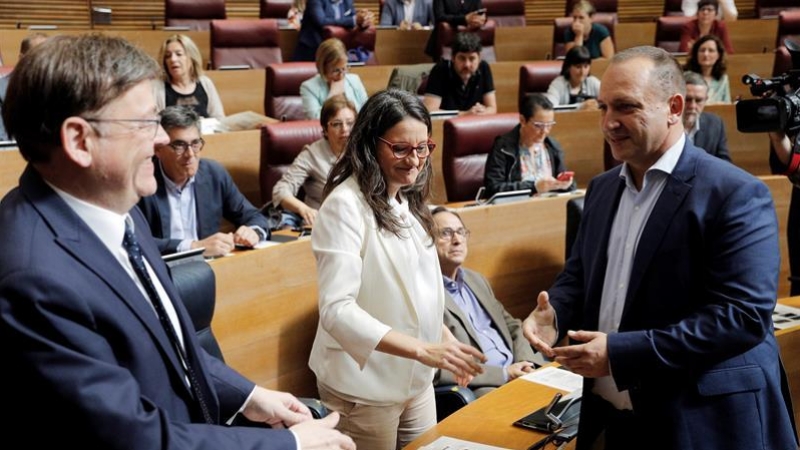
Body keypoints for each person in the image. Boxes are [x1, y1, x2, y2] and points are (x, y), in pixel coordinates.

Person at [0, 33, 354, 450]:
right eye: (145, 123)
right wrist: (290, 445)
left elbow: (171, 348)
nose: (162, 139)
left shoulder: (118, 206)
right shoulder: (33, 278)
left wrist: (250, 396)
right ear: (80, 141)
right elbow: (134, 438)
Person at [521, 45, 798, 450]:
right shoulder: (600, 190)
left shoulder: (734, 192)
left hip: (702, 424)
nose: (609, 123)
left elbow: (741, 318)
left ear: (673, 106)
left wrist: (620, 353)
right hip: (615, 422)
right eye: (603, 109)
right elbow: (580, 274)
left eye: (626, 107)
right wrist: (556, 310)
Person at [309, 89, 486, 450]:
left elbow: (418, 293)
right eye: (401, 148)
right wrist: (422, 350)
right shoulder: (343, 206)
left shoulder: (406, 198)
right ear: (370, 144)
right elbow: (337, 311)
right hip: (364, 386)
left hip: (415, 381)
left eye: (423, 148)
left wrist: (447, 344)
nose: (415, 160)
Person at [432, 206, 542, 396]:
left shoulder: (477, 280)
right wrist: (504, 374)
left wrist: (526, 364)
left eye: (460, 232)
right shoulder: (426, 295)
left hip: (519, 371)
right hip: (487, 385)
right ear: (427, 241)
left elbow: (513, 326)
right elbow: (438, 367)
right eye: (446, 233)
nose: (457, 240)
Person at [137, 106, 270, 257]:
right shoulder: (141, 182)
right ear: (158, 149)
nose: (190, 154)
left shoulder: (213, 174)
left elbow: (254, 216)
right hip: (163, 269)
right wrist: (194, 246)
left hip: (209, 267)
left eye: (195, 144)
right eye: (179, 145)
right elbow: (134, 240)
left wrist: (254, 231)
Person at [273, 95, 355, 228]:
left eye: (350, 123)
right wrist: (303, 209)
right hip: (324, 224)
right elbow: (281, 190)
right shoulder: (312, 155)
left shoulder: (364, 151)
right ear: (325, 129)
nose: (345, 129)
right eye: (337, 124)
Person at [484, 93, 574, 197]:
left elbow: (567, 184)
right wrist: (534, 187)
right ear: (522, 120)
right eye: (538, 126)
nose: (544, 131)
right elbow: (493, 188)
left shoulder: (552, 146)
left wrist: (566, 184)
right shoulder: (503, 147)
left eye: (549, 125)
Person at [423, 32, 497, 115]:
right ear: (453, 58)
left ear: (479, 58)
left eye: (472, 59)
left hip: (475, 124)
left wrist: (481, 112)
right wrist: (465, 114)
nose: (467, 64)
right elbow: (431, 112)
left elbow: (492, 108)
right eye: (462, 58)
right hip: (445, 125)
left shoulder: (484, 67)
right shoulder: (440, 69)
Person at [157, 34, 225, 120]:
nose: (173, 59)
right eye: (168, 56)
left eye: (179, 54)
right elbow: (155, 126)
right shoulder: (157, 88)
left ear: (192, 58)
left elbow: (219, 119)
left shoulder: (205, 83)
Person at [300, 38, 369, 119]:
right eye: (336, 70)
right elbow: (315, 120)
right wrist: (332, 96)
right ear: (323, 69)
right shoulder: (309, 88)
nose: (341, 75)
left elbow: (367, 112)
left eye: (344, 68)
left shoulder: (354, 80)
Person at [0, 32, 48, 141]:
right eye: (38, 56)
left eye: (50, 57)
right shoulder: (1, 91)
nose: (46, 63)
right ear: (22, 58)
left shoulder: (56, 89)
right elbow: (2, 141)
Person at [293, 0, 374, 62]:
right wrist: (352, 20)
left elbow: (353, 21)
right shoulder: (316, 1)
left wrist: (363, 21)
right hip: (313, 51)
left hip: (339, 51)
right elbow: (321, 21)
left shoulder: (347, 1)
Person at [683, 71, 730, 161]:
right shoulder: (664, 125)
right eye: (688, 99)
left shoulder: (716, 124)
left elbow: (725, 163)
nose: (693, 106)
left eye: (698, 100)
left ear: (706, 100)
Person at [545, 45, 601, 109]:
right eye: (578, 67)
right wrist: (580, 107)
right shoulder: (558, 84)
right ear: (568, 67)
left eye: (586, 67)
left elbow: (607, 100)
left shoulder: (593, 82)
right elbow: (550, 109)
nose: (582, 72)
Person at [683, 34, 730, 104]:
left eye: (711, 50)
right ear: (696, 54)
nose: (706, 54)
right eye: (702, 50)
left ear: (718, 55)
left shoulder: (723, 79)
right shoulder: (685, 77)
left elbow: (727, 105)